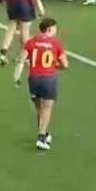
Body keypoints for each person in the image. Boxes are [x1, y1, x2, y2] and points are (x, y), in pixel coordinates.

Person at [16, 17, 68, 150]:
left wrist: (17, 76)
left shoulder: (31, 42)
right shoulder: (55, 43)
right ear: (49, 29)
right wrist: (56, 66)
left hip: (33, 79)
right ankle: (41, 137)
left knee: (39, 108)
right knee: (47, 108)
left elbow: (21, 60)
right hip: (48, 79)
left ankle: (44, 132)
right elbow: (65, 64)